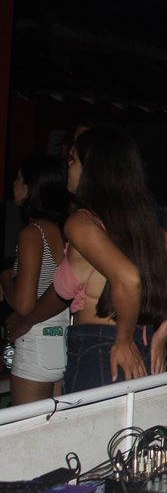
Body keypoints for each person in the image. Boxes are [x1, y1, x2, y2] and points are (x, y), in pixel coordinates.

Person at [54, 126, 167, 392]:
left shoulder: (81, 222)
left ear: (93, 169)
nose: (68, 166)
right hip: (142, 347)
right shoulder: (138, 225)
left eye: (73, 159)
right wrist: (162, 334)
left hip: (103, 351)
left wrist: (124, 340)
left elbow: (128, 278)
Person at [0, 154, 71, 404]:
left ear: (33, 186)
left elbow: (24, 305)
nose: (14, 183)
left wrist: (5, 279)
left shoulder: (33, 233)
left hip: (35, 341)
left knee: (27, 425)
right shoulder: (63, 229)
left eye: (19, 178)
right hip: (59, 337)